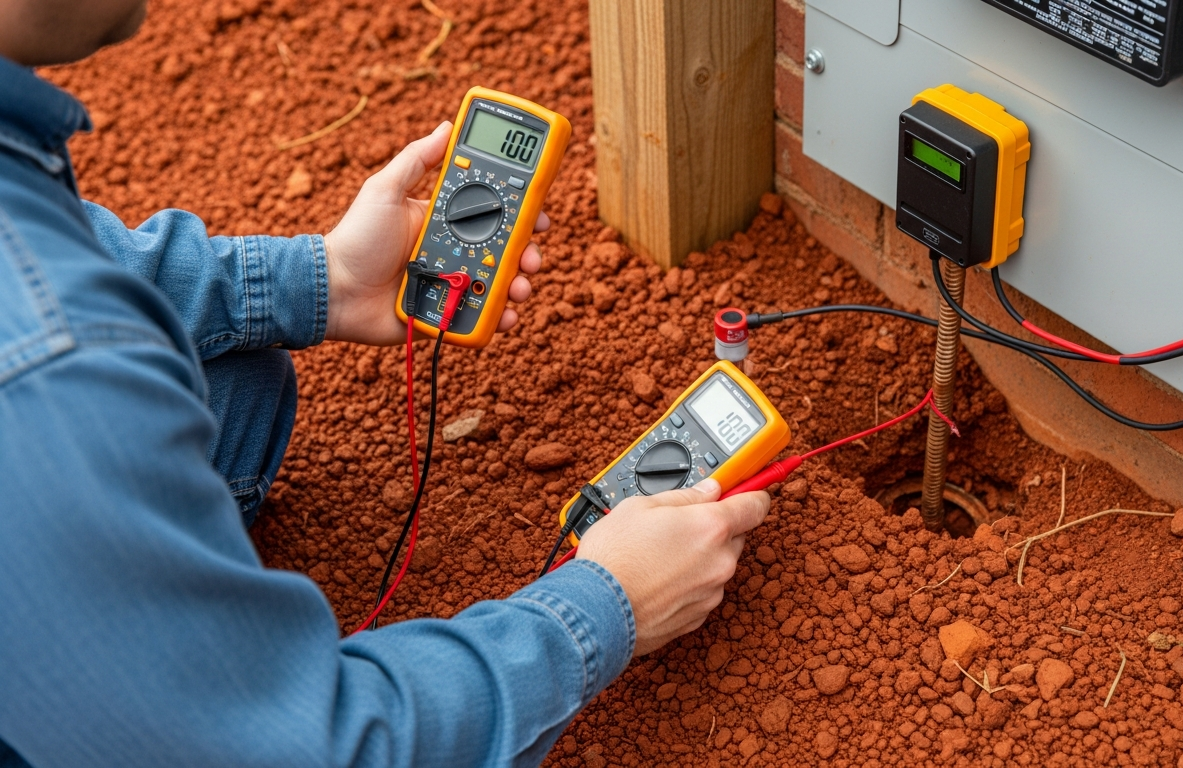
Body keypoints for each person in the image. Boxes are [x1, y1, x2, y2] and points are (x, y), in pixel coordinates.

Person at [0, 1, 772, 765]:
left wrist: (324, 278)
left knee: (238, 371)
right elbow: (320, 751)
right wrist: (609, 605)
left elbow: (96, 261)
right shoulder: (56, 368)